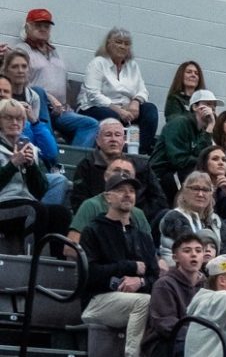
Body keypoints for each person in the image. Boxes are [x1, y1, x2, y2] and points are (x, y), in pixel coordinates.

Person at [79, 172, 158, 357]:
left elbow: (154, 277)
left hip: (132, 301)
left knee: (150, 300)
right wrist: (129, 267)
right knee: (143, 302)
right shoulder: (93, 230)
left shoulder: (142, 236)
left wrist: (139, 282)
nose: (127, 195)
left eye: (132, 191)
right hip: (97, 301)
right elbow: (90, 274)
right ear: (108, 197)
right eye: (121, 190)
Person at [20, 7, 99, 148]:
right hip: (36, 107)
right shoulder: (22, 50)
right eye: (38, 25)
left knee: (90, 125)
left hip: (60, 110)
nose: (43, 29)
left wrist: (66, 105)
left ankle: (75, 165)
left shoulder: (56, 53)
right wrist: (49, 97)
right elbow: (20, 84)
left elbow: (64, 84)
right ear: (28, 27)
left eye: (46, 26)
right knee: (39, 92)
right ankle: (50, 153)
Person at [77, 28, 160, 153]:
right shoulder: (98, 63)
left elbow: (143, 90)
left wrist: (136, 102)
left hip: (126, 110)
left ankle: (139, 153)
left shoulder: (133, 66)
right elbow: (93, 95)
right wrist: (119, 110)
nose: (123, 46)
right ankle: (113, 152)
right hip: (94, 108)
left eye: (126, 44)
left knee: (150, 110)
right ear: (108, 44)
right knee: (112, 117)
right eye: (119, 42)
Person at [0, 100, 70, 247]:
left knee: (60, 213)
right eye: (8, 118)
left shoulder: (29, 147)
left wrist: (31, 166)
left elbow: (39, 191)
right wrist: (13, 164)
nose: (15, 122)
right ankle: (30, 260)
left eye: (19, 118)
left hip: (25, 202)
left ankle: (58, 267)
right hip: (3, 204)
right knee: (35, 209)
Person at [71, 118, 167, 221]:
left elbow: (159, 200)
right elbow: (78, 202)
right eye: (108, 135)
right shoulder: (86, 166)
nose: (113, 139)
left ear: (124, 139)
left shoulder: (141, 166)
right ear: (98, 140)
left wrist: (137, 217)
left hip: (139, 222)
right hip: (99, 223)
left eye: (117, 135)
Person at [141, 231, 204, 357]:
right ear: (175, 257)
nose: (194, 254)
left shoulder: (206, 285)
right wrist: (201, 336)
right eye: (187, 251)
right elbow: (166, 325)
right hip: (163, 343)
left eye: (198, 251)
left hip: (197, 340)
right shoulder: (164, 284)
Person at [150, 89, 221, 199]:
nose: (211, 110)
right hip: (160, 176)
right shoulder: (179, 123)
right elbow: (179, 161)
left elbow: (202, 156)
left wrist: (210, 128)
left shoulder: (203, 131)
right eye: (207, 105)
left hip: (179, 175)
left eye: (214, 106)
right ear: (194, 107)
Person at [157, 171, 226, 261]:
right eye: (195, 189)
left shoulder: (215, 220)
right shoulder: (174, 217)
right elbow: (193, 250)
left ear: (211, 194)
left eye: (205, 190)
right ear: (184, 191)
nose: (200, 194)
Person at [2, 46, 59, 165]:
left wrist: (33, 118)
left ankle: (49, 165)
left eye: (24, 66)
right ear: (6, 70)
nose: (20, 70)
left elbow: (36, 132)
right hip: (10, 146)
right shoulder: (3, 92)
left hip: (31, 147)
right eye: (15, 67)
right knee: (26, 125)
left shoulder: (33, 97)